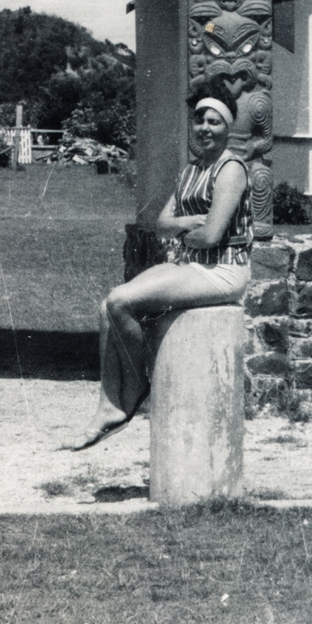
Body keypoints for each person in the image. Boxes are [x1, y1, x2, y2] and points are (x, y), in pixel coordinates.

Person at [64, 86, 252, 450]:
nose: (205, 128)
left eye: (214, 121)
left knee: (121, 300)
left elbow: (212, 236)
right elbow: (162, 223)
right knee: (107, 307)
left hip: (224, 271)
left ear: (227, 129)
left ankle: (134, 385)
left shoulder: (231, 170)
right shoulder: (193, 170)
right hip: (191, 264)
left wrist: (191, 229)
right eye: (199, 120)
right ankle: (109, 404)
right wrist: (189, 224)